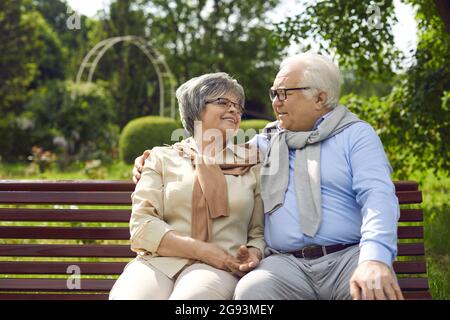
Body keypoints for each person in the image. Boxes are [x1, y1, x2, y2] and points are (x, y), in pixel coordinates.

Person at [134, 53, 404, 300]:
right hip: (285, 265)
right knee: (252, 292)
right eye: (274, 93)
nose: (275, 102)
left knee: (372, 291)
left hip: (347, 256)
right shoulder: (266, 142)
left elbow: (377, 197)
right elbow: (212, 152)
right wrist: (155, 158)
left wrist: (375, 259)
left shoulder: (356, 135)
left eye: (285, 93)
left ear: (320, 98)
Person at [110, 72, 265, 300]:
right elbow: (142, 226)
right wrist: (203, 250)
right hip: (158, 262)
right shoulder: (160, 158)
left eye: (238, 106)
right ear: (196, 108)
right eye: (223, 102)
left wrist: (253, 253)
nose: (234, 109)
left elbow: (258, 233)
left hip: (221, 267)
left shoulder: (252, 163)